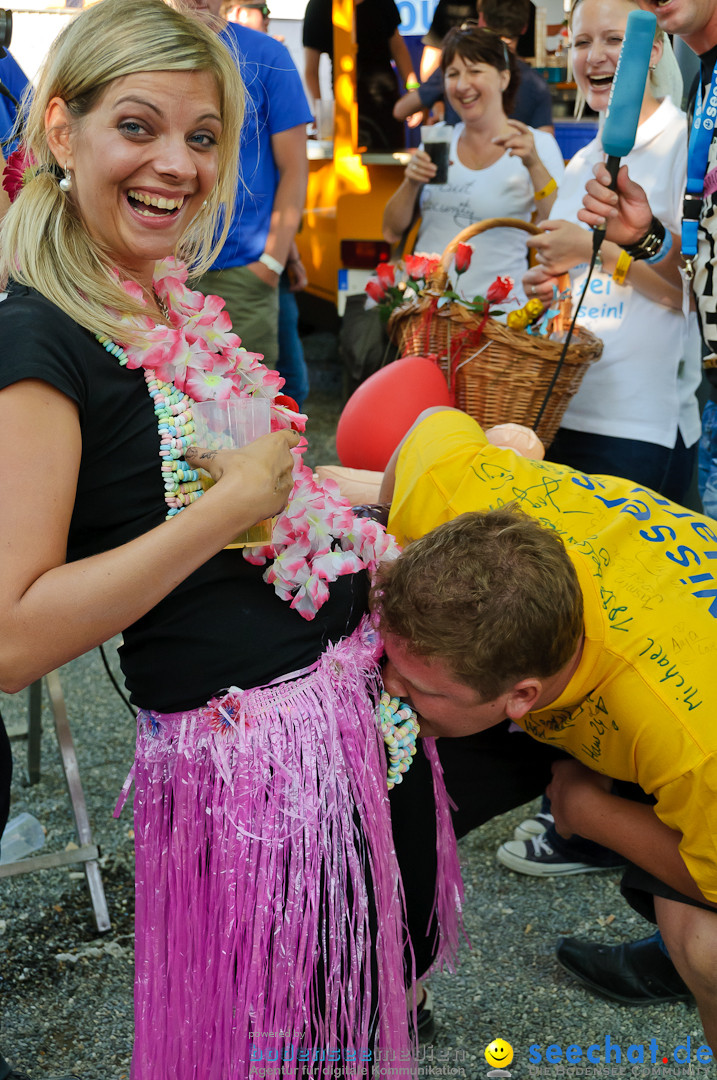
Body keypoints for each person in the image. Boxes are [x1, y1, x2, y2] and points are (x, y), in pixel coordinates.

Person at [0, 1, 461, 1074]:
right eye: (140, 126)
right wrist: (221, 511)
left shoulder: (163, 303)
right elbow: (13, 636)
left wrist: (428, 479)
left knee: (364, 1018)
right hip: (252, 794)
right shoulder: (37, 339)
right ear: (60, 132)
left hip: (355, 732)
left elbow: (275, 489)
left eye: (203, 137)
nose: (177, 164)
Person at [374, 405, 717, 1053]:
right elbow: (431, 425)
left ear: (522, 697)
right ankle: (385, 972)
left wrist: (588, 812)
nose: (390, 686)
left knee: (707, 949)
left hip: (682, 678)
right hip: (595, 645)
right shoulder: (452, 493)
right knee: (386, 764)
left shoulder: (692, 739)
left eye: (419, 687)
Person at [382, 25, 564, 307]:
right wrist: (411, 182)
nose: (462, 85)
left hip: (498, 323)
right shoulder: (439, 138)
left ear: (504, 78)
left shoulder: (535, 144)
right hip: (426, 316)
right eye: (452, 74)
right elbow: (391, 231)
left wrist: (534, 166)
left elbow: (561, 232)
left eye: (475, 71)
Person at [195, 7, 311, 372]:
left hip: (239, 270)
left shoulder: (266, 55)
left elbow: (294, 167)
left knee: (246, 412)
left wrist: (272, 262)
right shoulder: (140, 47)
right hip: (153, 267)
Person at [395, 2, 553, 134]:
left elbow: (400, 110)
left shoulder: (458, 69)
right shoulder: (536, 83)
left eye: (475, 72)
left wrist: (434, 97)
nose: (464, 85)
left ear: (481, 19)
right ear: (525, 27)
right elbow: (546, 141)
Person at [302, 0, 417, 152]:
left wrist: (413, 91)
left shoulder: (383, 3)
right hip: (344, 109)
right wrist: (320, 114)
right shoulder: (319, 6)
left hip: (388, 106)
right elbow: (310, 71)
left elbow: (398, 49)